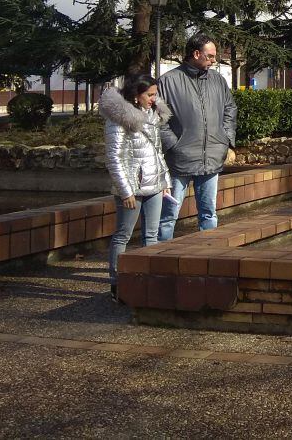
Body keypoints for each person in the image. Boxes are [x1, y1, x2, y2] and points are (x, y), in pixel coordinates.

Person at [157, 32, 237, 241]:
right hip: (179, 159)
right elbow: (158, 118)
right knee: (168, 215)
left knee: (209, 213)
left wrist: (226, 140)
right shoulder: (168, 81)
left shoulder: (218, 80)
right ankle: (161, 257)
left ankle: (208, 255)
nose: (214, 60)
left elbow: (230, 109)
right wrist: (173, 145)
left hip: (212, 155)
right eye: (210, 56)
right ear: (196, 54)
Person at [99, 74, 172, 302]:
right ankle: (116, 284)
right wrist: (125, 190)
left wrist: (165, 182)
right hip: (132, 188)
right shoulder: (118, 119)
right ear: (136, 95)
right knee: (123, 235)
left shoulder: (153, 115)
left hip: (154, 184)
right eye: (149, 94)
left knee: (151, 235)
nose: (154, 98)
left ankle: (149, 281)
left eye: (155, 94)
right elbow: (113, 157)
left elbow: (158, 152)